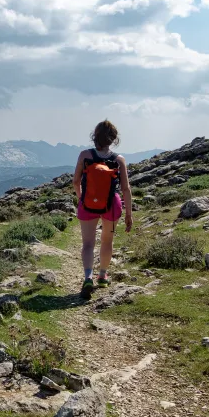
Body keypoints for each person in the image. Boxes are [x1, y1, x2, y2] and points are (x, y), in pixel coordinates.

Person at [72, 120, 133, 291]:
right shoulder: (119, 160)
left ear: (94, 137)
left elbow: (76, 182)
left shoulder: (85, 155)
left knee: (88, 244)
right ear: (114, 139)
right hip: (111, 206)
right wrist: (129, 213)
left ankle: (88, 276)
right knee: (107, 241)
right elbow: (126, 189)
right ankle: (103, 275)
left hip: (87, 203)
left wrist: (82, 198)